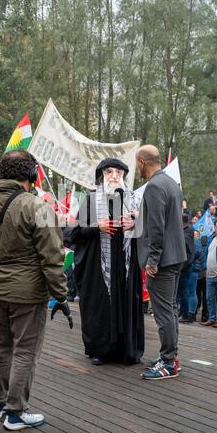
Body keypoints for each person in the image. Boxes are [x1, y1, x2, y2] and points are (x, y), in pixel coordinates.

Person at [0, 150, 72, 431]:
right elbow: (52, 258)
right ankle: (15, 414)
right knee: (25, 351)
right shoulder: (37, 207)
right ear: (32, 175)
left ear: (1, 173)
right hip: (27, 294)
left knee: (0, 347)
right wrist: (61, 295)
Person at [71, 158, 144, 366]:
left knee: (126, 305)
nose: (114, 176)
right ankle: (98, 350)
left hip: (126, 267)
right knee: (100, 308)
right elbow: (74, 234)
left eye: (119, 172)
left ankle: (126, 350)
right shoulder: (92, 200)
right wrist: (96, 227)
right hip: (99, 268)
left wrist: (137, 222)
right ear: (102, 175)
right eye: (109, 171)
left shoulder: (134, 200)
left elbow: (147, 231)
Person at [136, 145, 186, 380]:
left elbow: (156, 227)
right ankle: (171, 357)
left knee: (163, 312)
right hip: (176, 256)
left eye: (137, 163)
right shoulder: (171, 184)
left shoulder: (154, 186)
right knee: (172, 310)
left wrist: (152, 260)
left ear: (142, 162)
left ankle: (168, 362)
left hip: (162, 260)